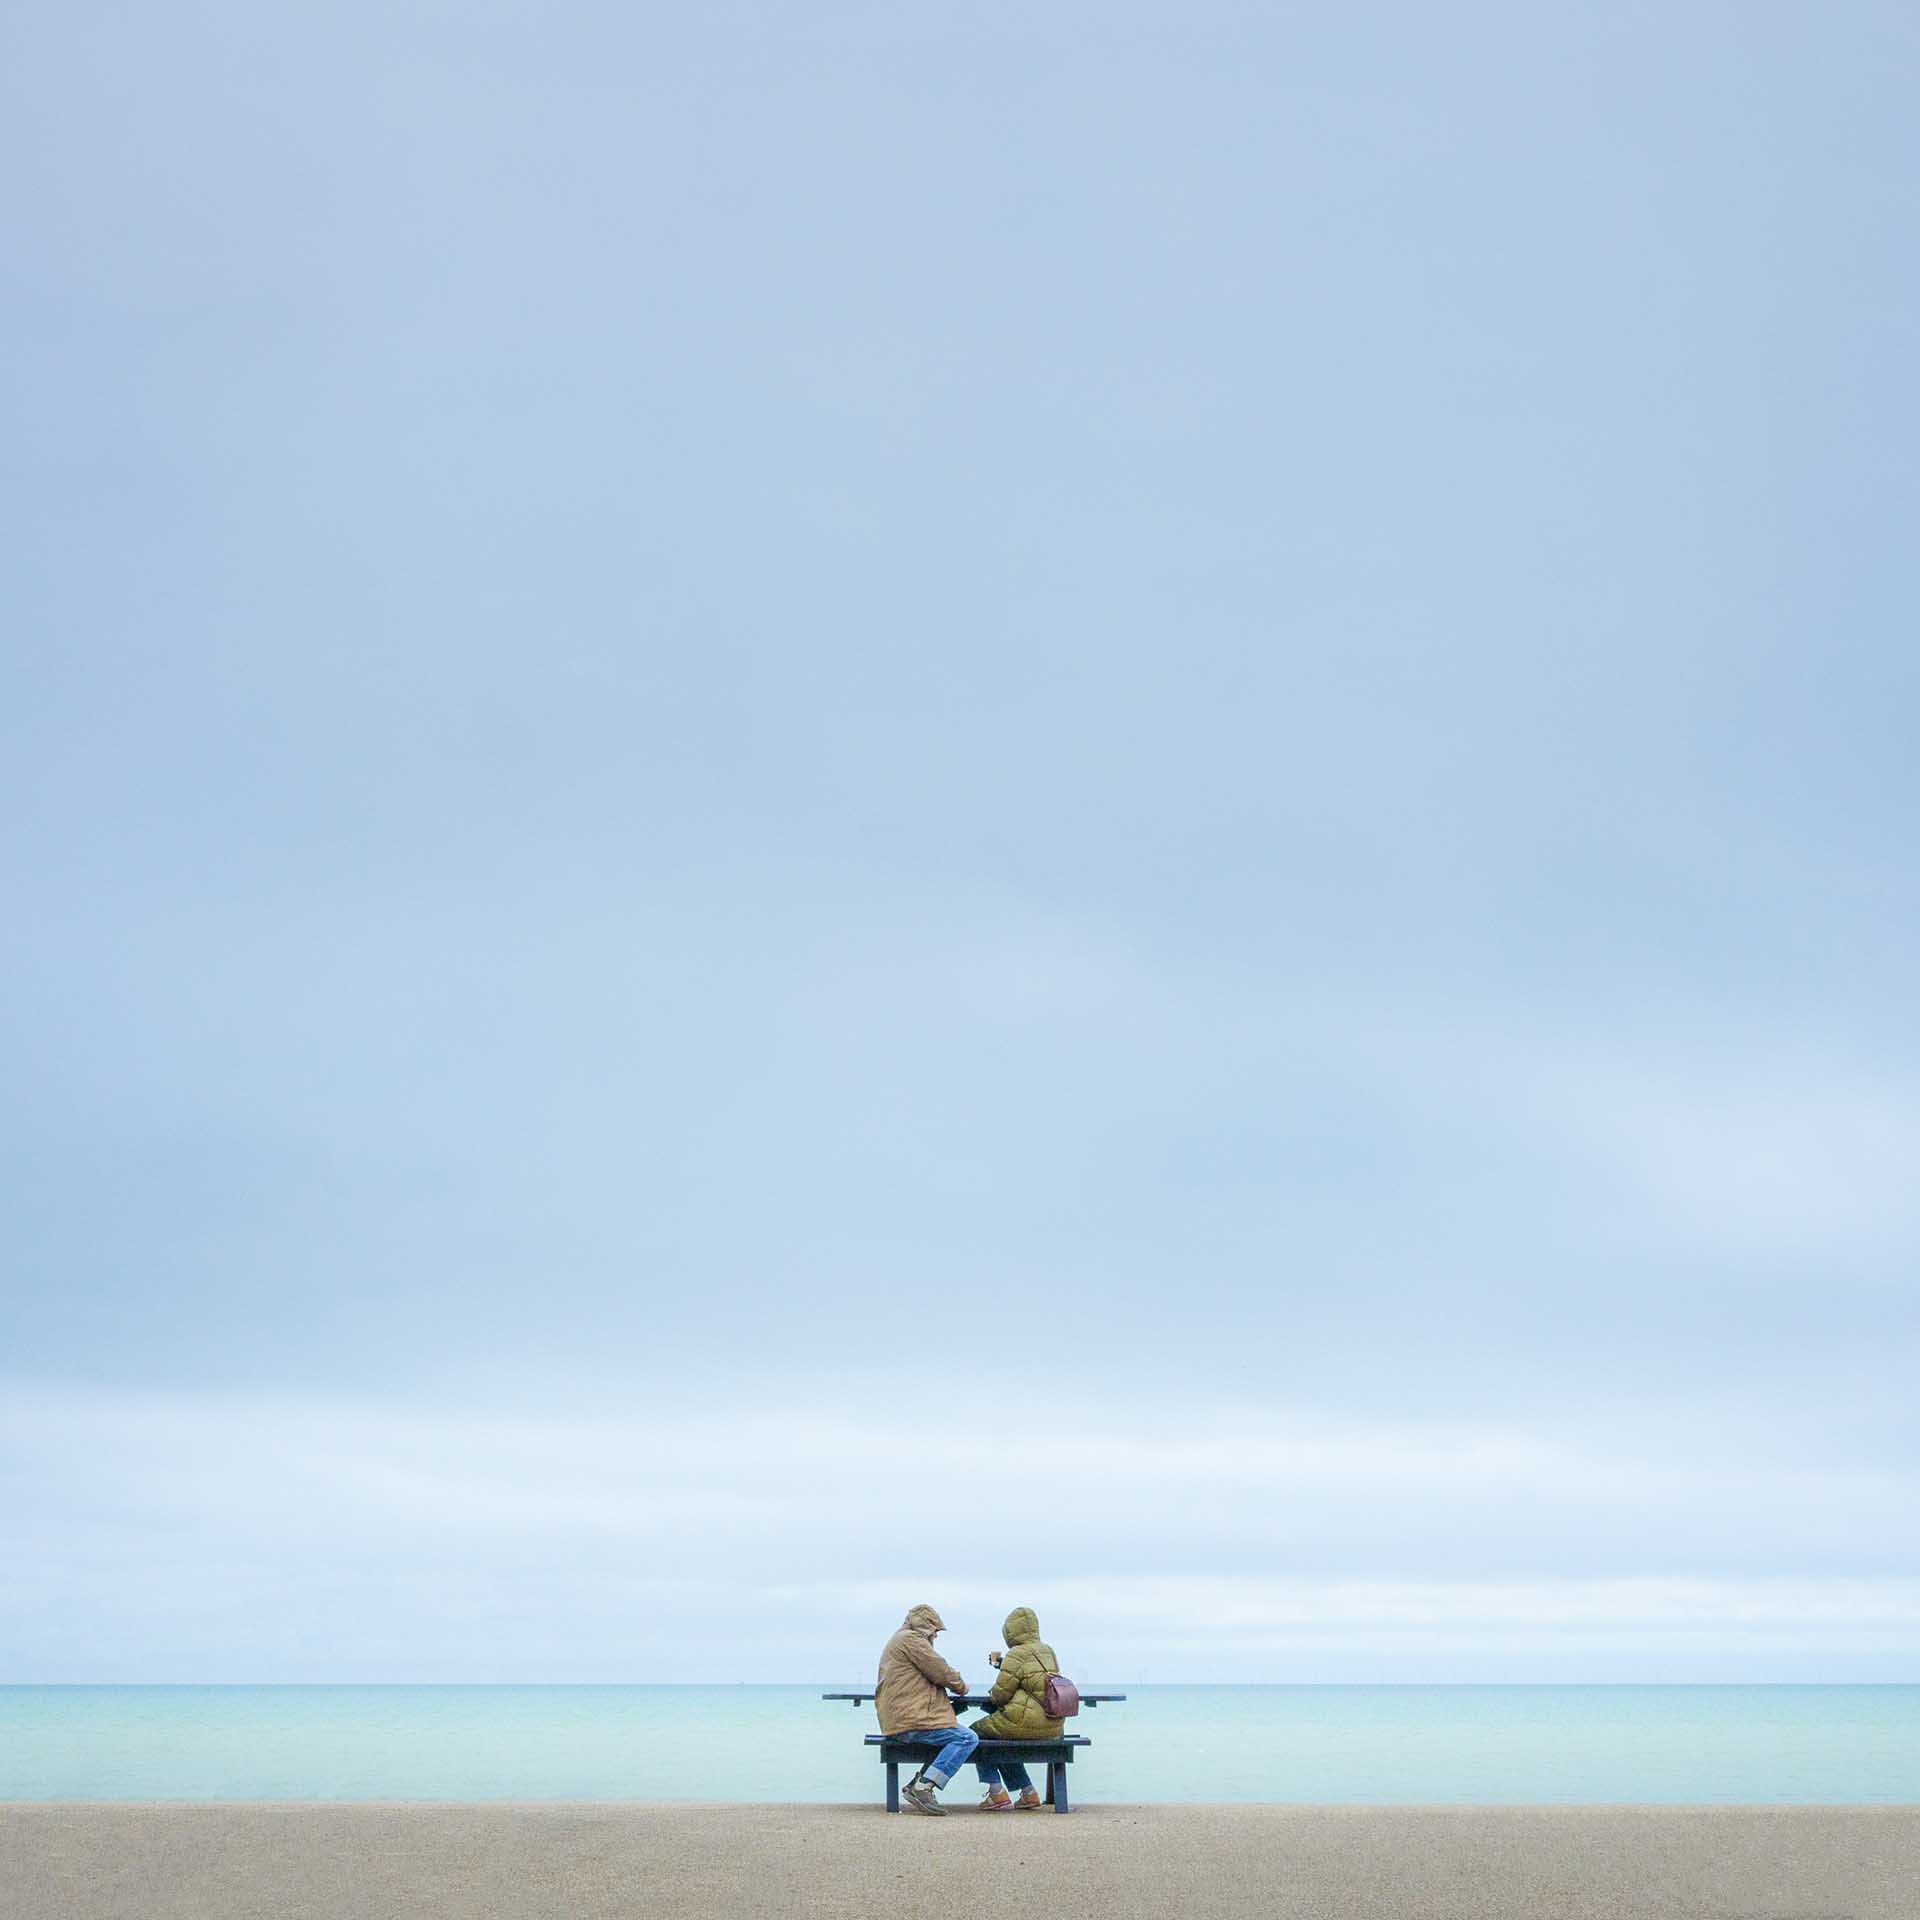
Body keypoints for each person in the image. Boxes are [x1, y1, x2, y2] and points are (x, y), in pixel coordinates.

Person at [874, 1603, 975, 1814]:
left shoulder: (900, 1639)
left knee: (949, 1736)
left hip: (902, 1717)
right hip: (910, 1720)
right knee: (966, 1738)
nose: (936, 1636)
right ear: (925, 1626)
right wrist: (961, 1686)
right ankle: (924, 1786)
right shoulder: (911, 1640)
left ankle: (918, 1784)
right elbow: (940, 1670)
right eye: (935, 1630)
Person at [970, 1605, 1064, 1811]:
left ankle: (996, 1792)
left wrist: (994, 1688)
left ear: (1010, 1631)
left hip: (1025, 1721)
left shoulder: (1016, 1654)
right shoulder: (1048, 1650)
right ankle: (1028, 1792)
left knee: (975, 1734)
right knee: (1001, 1739)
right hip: (1053, 1724)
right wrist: (1003, 1666)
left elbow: (1000, 1695)